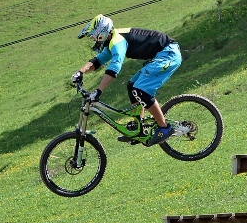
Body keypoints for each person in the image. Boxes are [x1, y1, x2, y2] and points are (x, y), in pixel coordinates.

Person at [72, 14, 182, 145]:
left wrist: (98, 91)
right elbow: (97, 61)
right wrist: (80, 72)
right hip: (162, 54)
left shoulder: (117, 41)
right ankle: (138, 128)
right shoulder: (114, 40)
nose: (93, 40)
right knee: (132, 85)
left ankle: (164, 127)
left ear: (101, 33)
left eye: (93, 37)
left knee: (140, 90)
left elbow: (115, 67)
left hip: (168, 54)